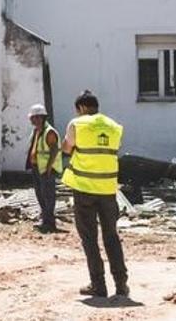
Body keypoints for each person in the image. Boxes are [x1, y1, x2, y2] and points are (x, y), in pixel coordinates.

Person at [61, 90, 128, 299]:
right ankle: (121, 285)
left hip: (84, 190)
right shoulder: (115, 127)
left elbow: (66, 148)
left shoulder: (77, 124)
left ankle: (98, 285)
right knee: (111, 237)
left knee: (89, 238)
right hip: (108, 190)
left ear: (81, 108)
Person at [25, 103, 62, 233]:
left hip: (46, 169)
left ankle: (50, 223)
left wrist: (48, 168)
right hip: (37, 167)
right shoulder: (37, 131)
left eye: (33, 117)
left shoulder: (49, 132)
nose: (31, 120)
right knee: (40, 195)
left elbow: (54, 150)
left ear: (40, 118)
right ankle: (45, 220)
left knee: (48, 196)